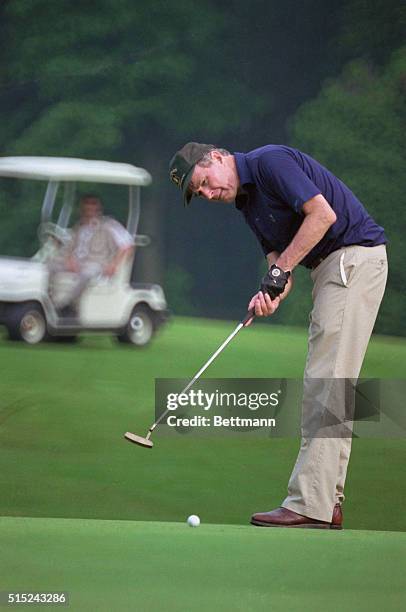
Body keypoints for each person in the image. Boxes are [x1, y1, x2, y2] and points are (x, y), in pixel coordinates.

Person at [169, 142, 388, 529]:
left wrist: (281, 270)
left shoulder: (269, 162)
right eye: (198, 194)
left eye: (203, 182)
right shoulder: (247, 205)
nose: (206, 193)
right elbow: (280, 265)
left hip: (353, 259)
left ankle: (308, 504)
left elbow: (322, 215)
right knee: (331, 386)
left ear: (217, 158)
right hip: (333, 268)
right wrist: (268, 294)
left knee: (326, 384)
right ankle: (328, 502)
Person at [50, 194, 134, 319]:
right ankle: (47, 301)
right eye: (87, 203)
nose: (89, 206)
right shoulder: (79, 226)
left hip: (97, 263)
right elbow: (69, 247)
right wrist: (69, 259)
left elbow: (128, 245)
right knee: (49, 266)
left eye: (93, 203)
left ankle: (69, 306)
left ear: (99, 207)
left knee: (86, 273)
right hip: (77, 262)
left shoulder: (109, 225)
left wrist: (114, 264)